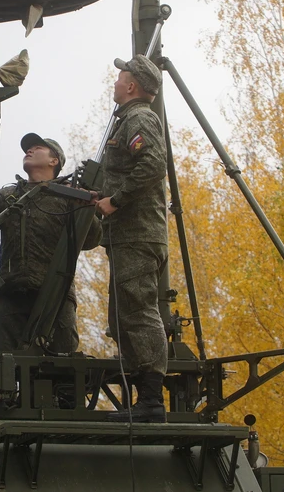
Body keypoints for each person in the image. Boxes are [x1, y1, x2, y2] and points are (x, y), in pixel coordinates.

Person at [94, 54, 169, 423]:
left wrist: (117, 200)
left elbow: (154, 163)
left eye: (120, 76)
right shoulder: (129, 119)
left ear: (132, 85)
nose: (115, 81)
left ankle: (151, 401)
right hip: (128, 235)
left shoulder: (138, 118)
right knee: (123, 316)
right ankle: (142, 399)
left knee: (138, 311)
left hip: (138, 233)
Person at [0, 134, 102, 356]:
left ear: (54, 161)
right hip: (11, 295)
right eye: (28, 148)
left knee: (61, 371)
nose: (29, 151)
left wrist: (84, 207)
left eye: (37, 148)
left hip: (56, 299)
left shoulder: (68, 196)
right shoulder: (9, 196)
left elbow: (92, 239)